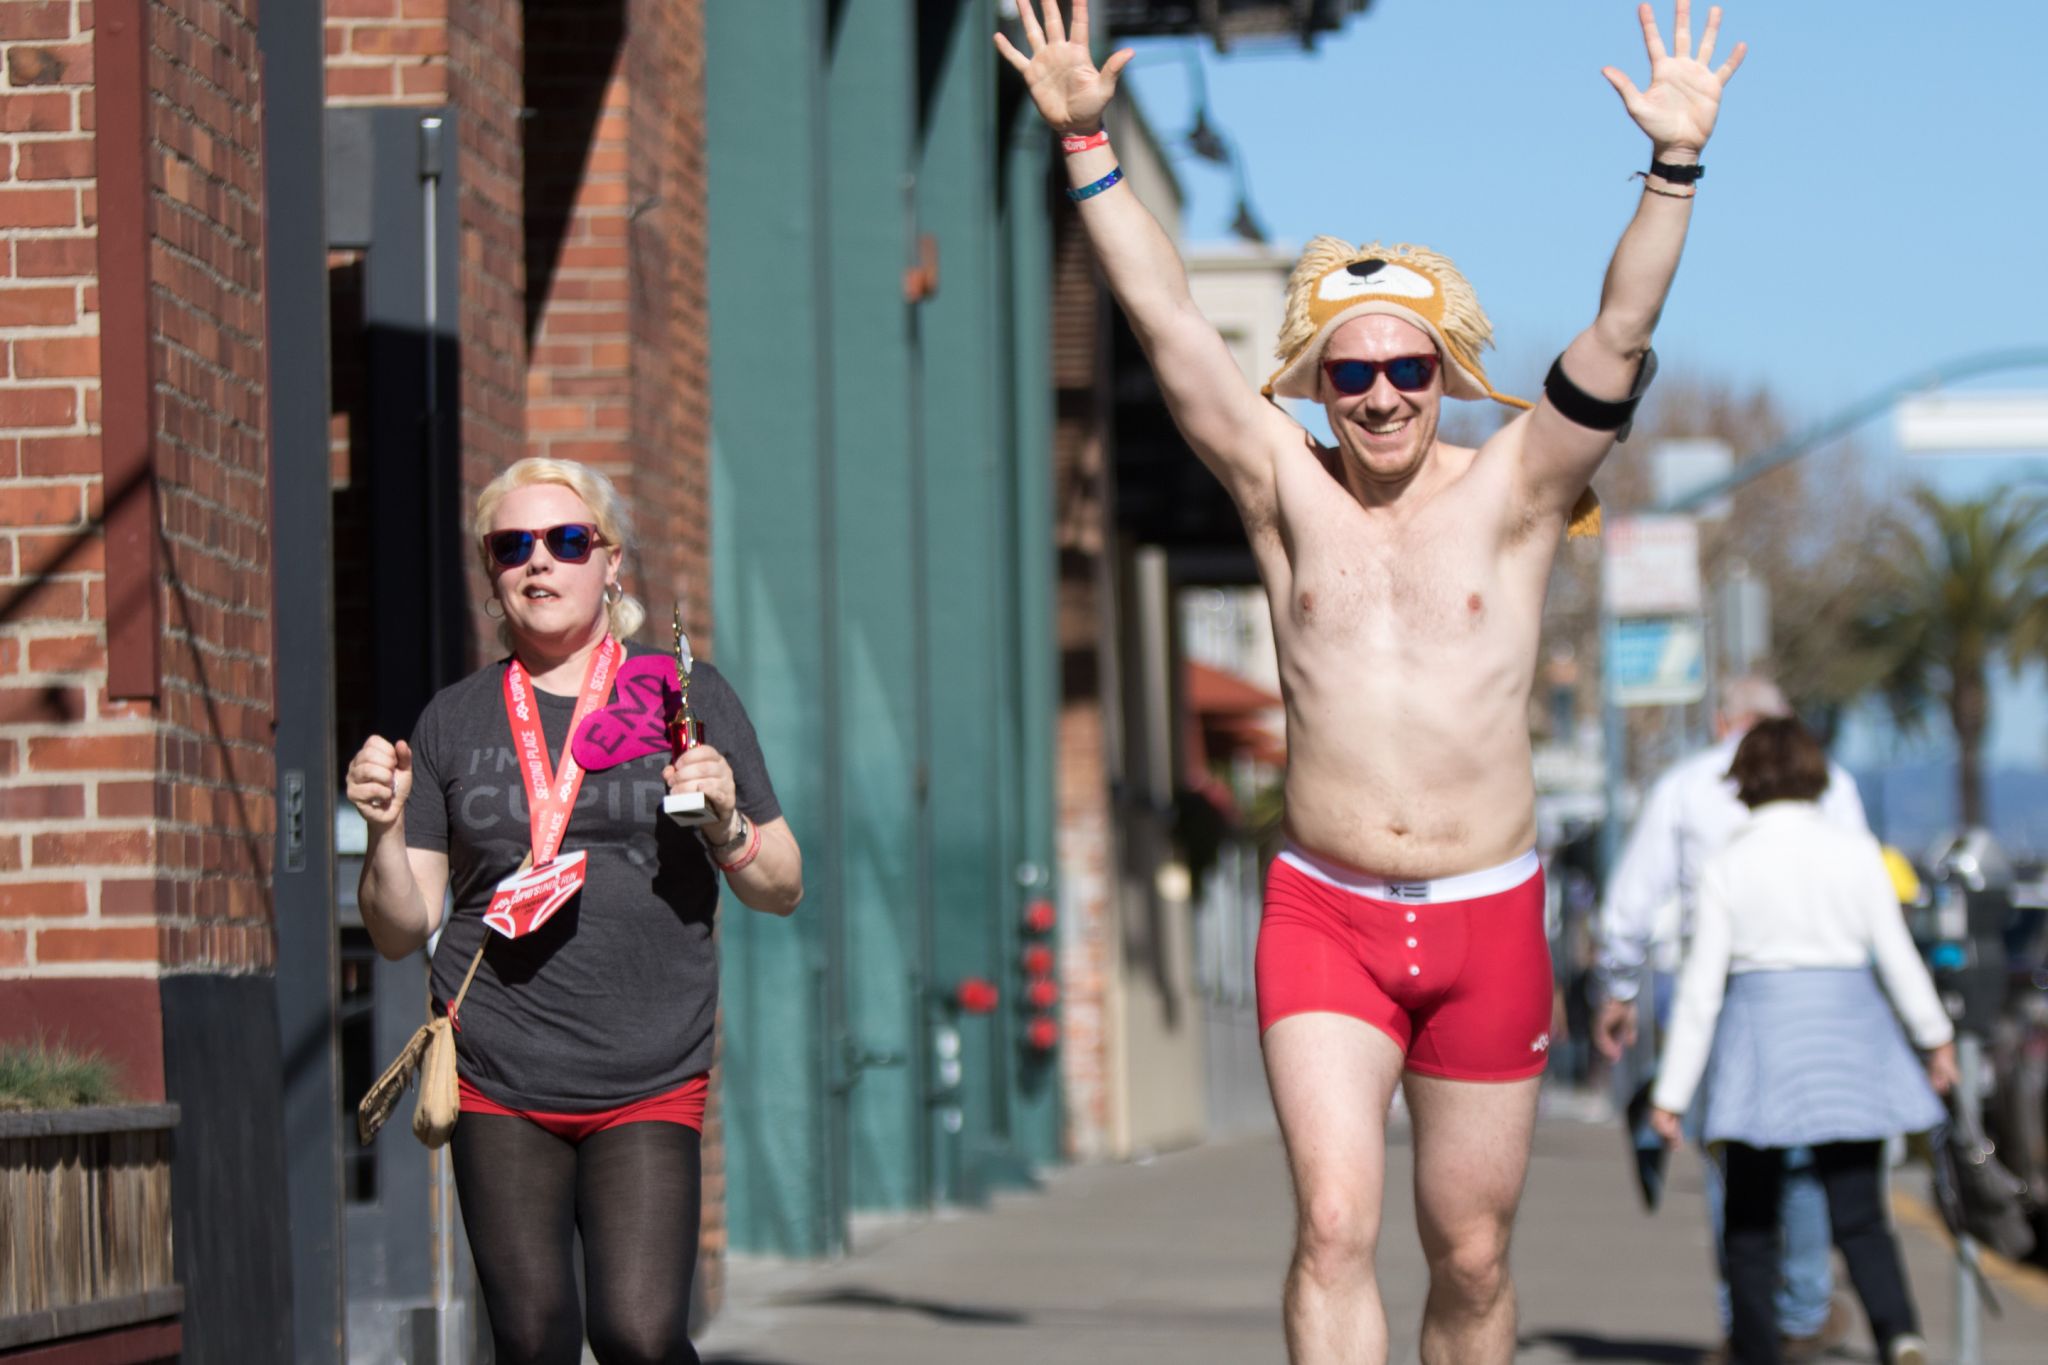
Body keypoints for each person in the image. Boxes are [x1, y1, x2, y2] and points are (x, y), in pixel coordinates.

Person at [998, 3, 1745, 1361]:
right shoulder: (1283, 489)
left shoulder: (1520, 492)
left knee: (1468, 1254)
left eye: (1409, 368)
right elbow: (1167, 320)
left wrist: (1674, 165)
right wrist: (1086, 142)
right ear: (1318, 385)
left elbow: (1619, 331)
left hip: (1488, 915)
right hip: (1326, 911)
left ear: (1448, 371)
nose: (1384, 397)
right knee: (1334, 1226)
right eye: (1354, 375)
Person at [344, 458, 802, 1365]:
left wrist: (727, 822)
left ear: (611, 561)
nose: (538, 564)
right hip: (498, 1070)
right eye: (512, 546)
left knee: (637, 1333)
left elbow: (782, 885)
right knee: (533, 1336)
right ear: (490, 572)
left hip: (649, 1067)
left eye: (566, 541)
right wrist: (385, 833)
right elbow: (402, 928)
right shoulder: (453, 720)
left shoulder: (683, 695)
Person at [1649, 718, 1957, 1365]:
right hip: (1848, 1035)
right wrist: (1936, 1040)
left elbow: (1703, 988)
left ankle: (1759, 1348)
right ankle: (1899, 1331)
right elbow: (1896, 956)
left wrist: (1672, 1092)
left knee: (1750, 1219)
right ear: (1815, 775)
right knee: (1860, 1210)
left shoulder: (1728, 863)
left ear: (1746, 782)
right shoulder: (1856, 852)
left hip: (1762, 1041)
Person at [1593, 676, 1867, 1358]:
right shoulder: (1832, 782)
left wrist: (1619, 987)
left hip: (1718, 996)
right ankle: (1802, 1309)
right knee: (1803, 1153)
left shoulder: (1685, 785)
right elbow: (1864, 885)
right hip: (1817, 998)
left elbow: (1629, 903)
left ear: (1723, 720)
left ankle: (1741, 1317)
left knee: (1733, 1157)